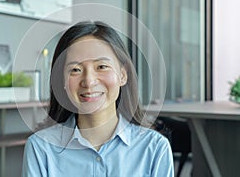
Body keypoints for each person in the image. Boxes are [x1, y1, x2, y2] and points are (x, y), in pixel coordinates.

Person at [22, 21, 174, 177]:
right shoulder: (40, 148)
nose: (88, 81)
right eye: (76, 70)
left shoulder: (155, 148)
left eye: (101, 67)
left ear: (122, 75)